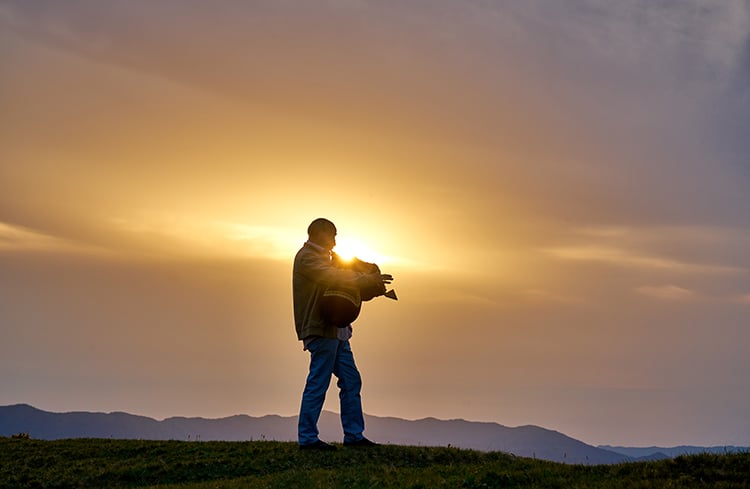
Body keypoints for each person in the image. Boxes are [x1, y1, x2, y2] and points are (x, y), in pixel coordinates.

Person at [293, 217, 393, 450]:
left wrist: (372, 279)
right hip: (321, 329)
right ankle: (307, 439)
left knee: (350, 380)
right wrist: (367, 279)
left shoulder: (326, 258)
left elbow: (346, 269)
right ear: (321, 234)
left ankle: (354, 436)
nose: (336, 240)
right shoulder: (306, 258)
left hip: (337, 331)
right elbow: (332, 276)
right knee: (318, 381)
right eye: (333, 235)